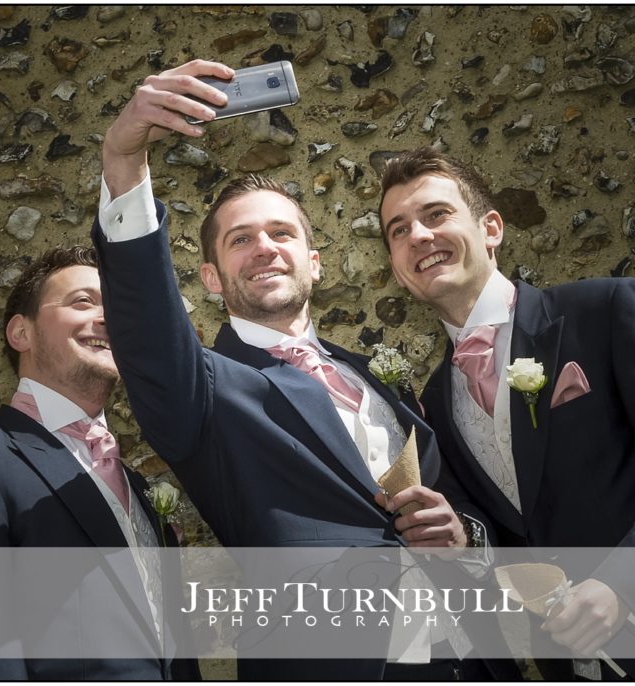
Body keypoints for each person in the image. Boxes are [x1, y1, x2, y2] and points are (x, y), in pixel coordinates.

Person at [92, 60, 520, 681]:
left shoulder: (380, 379)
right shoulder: (203, 391)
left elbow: (467, 508)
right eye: (240, 240)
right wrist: (124, 158)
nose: (264, 247)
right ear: (211, 278)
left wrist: (465, 537)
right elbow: (148, 331)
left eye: (281, 233)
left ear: (313, 262)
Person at [377, 147, 635, 680]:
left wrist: (624, 585)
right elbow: (510, 537)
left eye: (437, 214)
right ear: (398, 270)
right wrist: (465, 539)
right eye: (397, 230)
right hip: (570, 663)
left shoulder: (604, 311)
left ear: (491, 228)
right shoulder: (435, 405)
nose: (418, 236)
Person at [0, 246, 199, 681]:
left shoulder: (135, 485)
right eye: (83, 301)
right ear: (21, 332)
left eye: (115, 306)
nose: (107, 317)